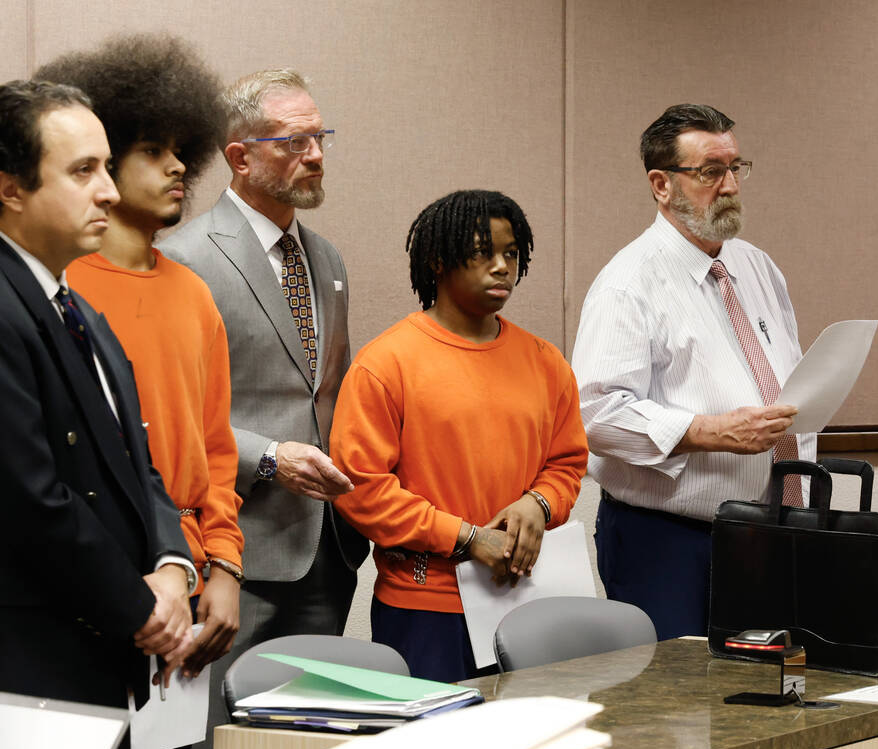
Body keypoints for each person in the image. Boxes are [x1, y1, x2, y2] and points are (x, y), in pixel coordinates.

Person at [0, 80, 197, 749]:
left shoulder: (75, 307)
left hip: (99, 652)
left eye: (107, 168)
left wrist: (175, 568)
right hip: (21, 675)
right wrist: (145, 610)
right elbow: (31, 502)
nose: (109, 192)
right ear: (11, 188)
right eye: (83, 171)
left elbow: (137, 466)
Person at [34, 35, 241, 749]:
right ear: (105, 166)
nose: (180, 167)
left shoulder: (194, 295)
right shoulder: (53, 294)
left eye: (184, 149)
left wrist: (222, 567)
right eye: (154, 150)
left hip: (186, 593)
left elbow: (215, 451)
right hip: (89, 601)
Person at [158, 68, 367, 749]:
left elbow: (328, 394)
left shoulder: (330, 261)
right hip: (234, 549)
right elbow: (175, 409)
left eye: (321, 137)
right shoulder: (185, 258)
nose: (315, 154)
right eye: (295, 140)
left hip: (328, 551)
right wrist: (270, 457)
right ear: (241, 156)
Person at [572, 103, 812, 641]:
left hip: (769, 534)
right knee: (678, 715)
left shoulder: (755, 265)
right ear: (662, 184)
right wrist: (713, 433)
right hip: (669, 541)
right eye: (710, 172)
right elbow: (597, 415)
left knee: (765, 703)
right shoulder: (627, 284)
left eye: (735, 167)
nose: (729, 185)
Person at [331, 190, 588, 682]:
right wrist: (467, 539)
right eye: (481, 252)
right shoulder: (386, 363)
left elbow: (568, 463)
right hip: (427, 606)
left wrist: (538, 504)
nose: (501, 267)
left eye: (511, 253)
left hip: (532, 599)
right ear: (438, 261)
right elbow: (361, 489)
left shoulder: (545, 361)